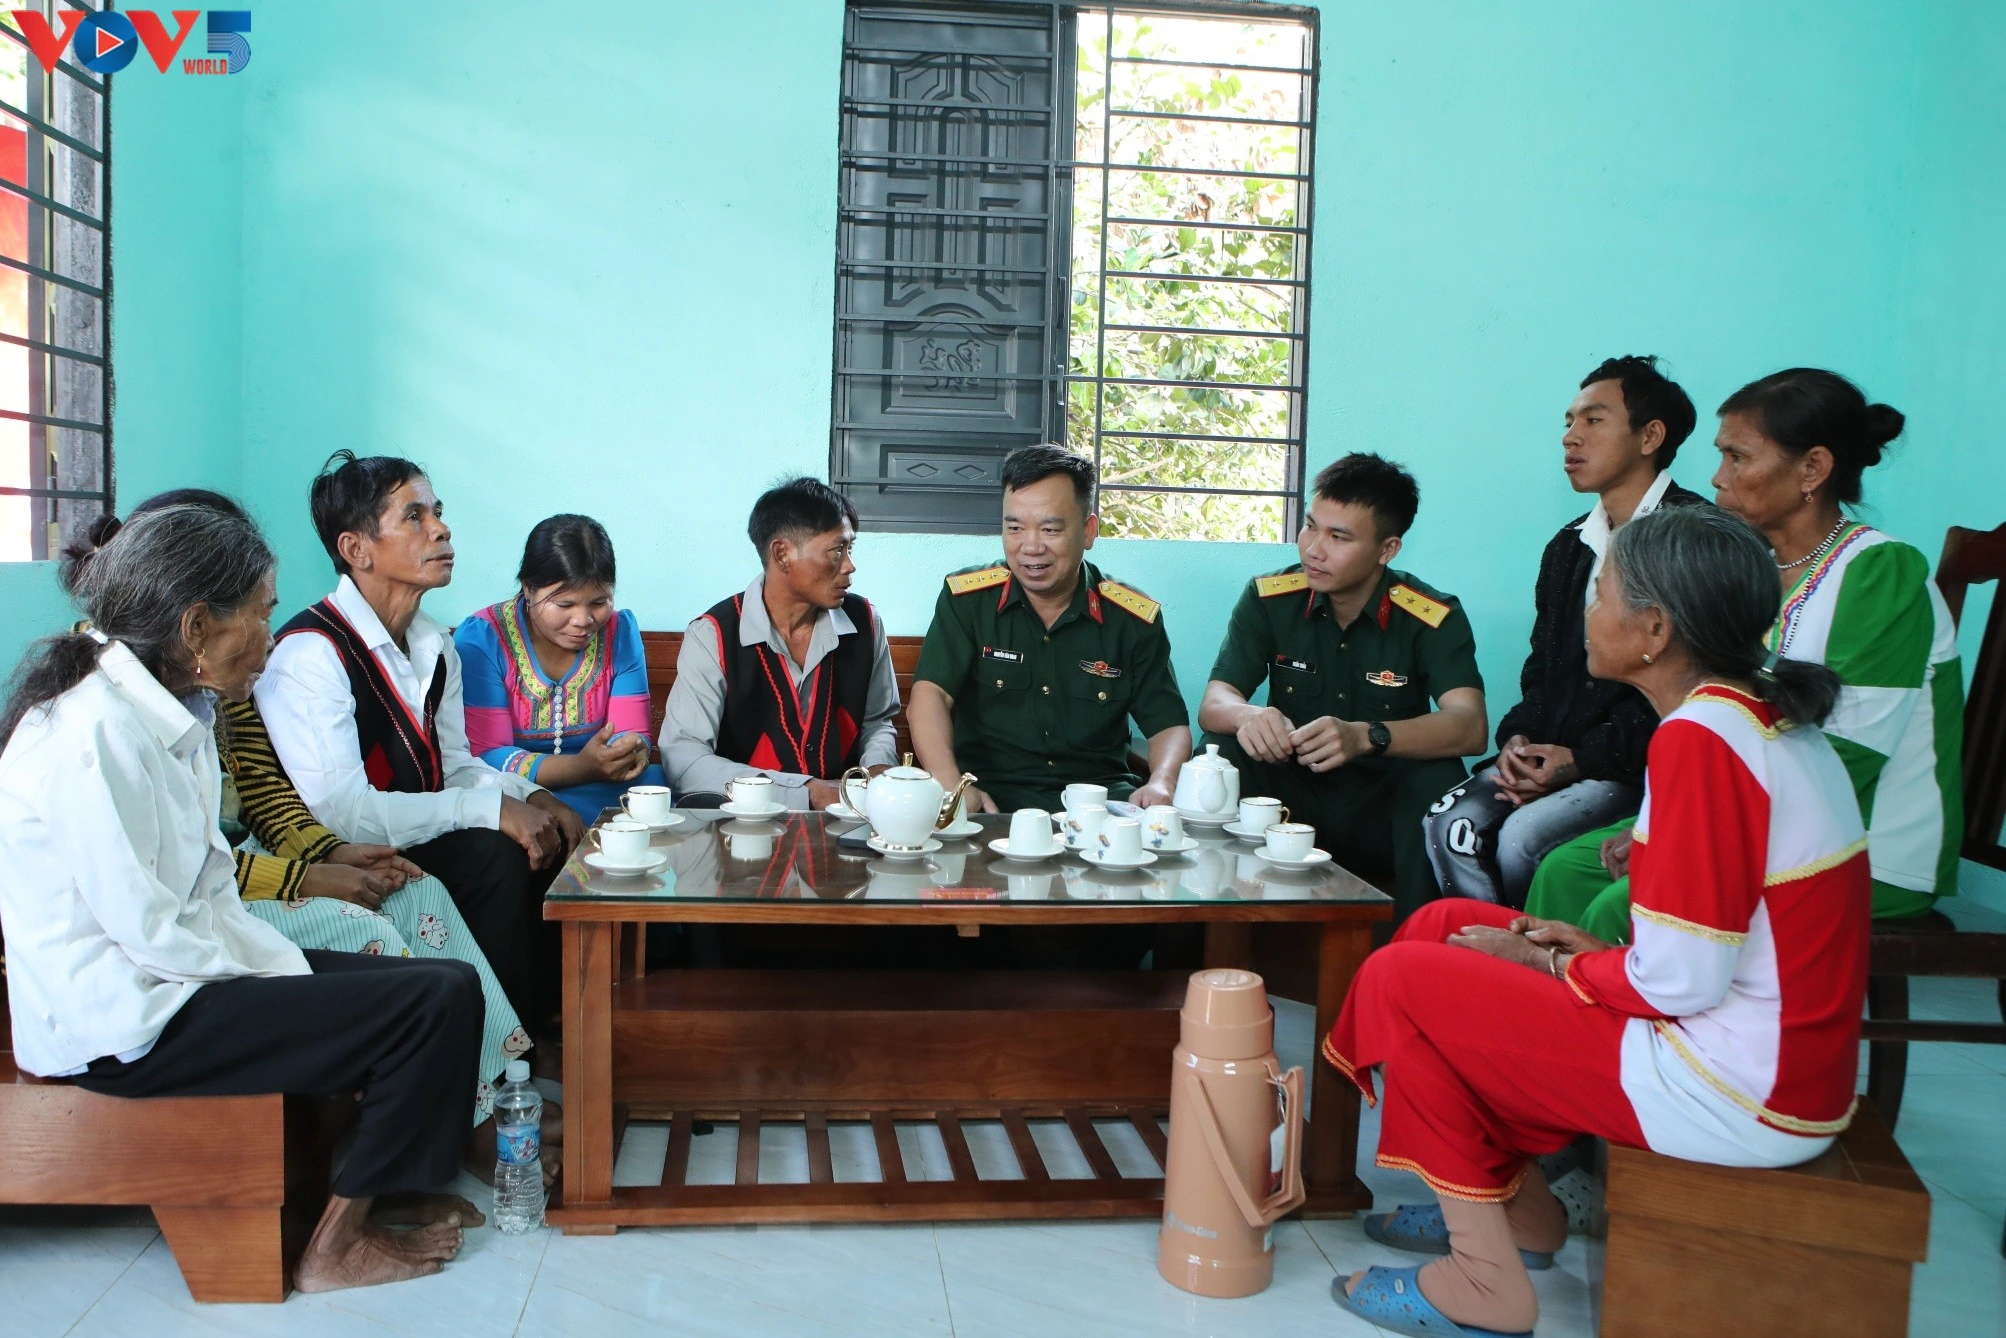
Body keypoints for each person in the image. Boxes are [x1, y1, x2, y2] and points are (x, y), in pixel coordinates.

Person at [1326, 505, 1868, 1338]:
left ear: (1653, 630)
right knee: (1444, 926)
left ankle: (1482, 1284)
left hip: (1738, 1090)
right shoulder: (1750, 715)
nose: (1588, 611)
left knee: (1403, 980)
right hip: (1766, 1060)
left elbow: (1681, 980)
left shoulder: (1703, 740)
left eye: (1603, 594)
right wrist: (1580, 950)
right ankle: (1521, 1214)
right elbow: (1713, 940)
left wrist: (1554, 965)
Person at [0, 504, 484, 1292]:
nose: (269, 638)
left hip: (178, 981)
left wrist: (285, 970)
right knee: (422, 1004)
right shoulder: (89, 735)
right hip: (128, 1020)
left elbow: (210, 889)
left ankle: (387, 1186)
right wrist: (282, 979)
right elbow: (150, 931)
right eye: (259, 615)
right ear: (196, 627)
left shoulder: (171, 712)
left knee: (446, 985)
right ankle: (335, 1248)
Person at [87, 489, 538, 1138]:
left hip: (238, 873)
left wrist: (331, 852)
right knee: (369, 928)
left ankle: (497, 1087)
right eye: (259, 611)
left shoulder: (210, 687)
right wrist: (310, 878)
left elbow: (269, 798)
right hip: (200, 911)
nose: (270, 635)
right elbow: (178, 874)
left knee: (421, 891)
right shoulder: (113, 718)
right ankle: (455, 1122)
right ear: (193, 612)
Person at [1525, 369, 1964, 942]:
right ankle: (1552, 996)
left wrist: (1683, 835)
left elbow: (1850, 755)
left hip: (1860, 847)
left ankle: (1619, 996)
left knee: (1626, 903)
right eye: (1720, 455)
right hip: (1753, 816)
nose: (1717, 477)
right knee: (1565, 869)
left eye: (1737, 458)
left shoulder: (1880, 572)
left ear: (1812, 469)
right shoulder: (1749, 566)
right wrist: (1661, 824)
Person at [255, 452, 585, 1035]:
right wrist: (489, 810)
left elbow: (453, 765)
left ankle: (545, 1033)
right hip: (336, 852)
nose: (440, 529)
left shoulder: (435, 645)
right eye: (414, 516)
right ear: (356, 549)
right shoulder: (311, 653)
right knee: (492, 856)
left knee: (545, 836)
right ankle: (502, 1059)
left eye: (437, 511)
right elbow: (342, 816)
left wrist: (532, 797)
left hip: (407, 832)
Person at [1423, 357, 1707, 906]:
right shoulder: (1568, 546)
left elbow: (1690, 688)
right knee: (1448, 823)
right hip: (1558, 760)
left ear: (1650, 436)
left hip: (1638, 767)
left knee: (1521, 840)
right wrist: (1518, 743)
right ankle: (1484, 951)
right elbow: (1543, 672)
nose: (1571, 437)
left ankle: (1537, 953)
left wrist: (1578, 762)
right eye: (1569, 422)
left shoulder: (1693, 539)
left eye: (1594, 420)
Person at [1198, 453, 1486, 917]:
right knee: (1222, 750)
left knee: (1439, 776)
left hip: (1382, 810)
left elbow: (1469, 725)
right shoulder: (1269, 598)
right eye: (1310, 527)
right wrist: (1249, 715)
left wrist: (1367, 736)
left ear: (1387, 549)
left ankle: (1411, 944)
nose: (1314, 549)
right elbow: (1215, 702)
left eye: (1339, 537)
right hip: (1289, 805)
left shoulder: (1431, 615)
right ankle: (1204, 934)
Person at [910, 444, 1190, 813]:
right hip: (991, 801)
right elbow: (930, 695)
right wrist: (953, 787)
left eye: (1050, 529)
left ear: (1088, 531)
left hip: (1098, 804)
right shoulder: (968, 601)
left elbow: (1169, 726)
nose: (1030, 546)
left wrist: (1163, 781)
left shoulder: (1132, 619)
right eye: (1014, 528)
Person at [661, 478, 900, 809]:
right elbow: (684, 760)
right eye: (836, 550)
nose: (849, 565)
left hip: (845, 821)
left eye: (850, 549)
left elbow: (877, 722)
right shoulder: (712, 635)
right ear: (782, 554)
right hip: (742, 825)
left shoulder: (866, 622)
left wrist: (878, 769)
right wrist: (806, 792)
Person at [456, 514, 665, 822]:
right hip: (519, 794)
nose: (583, 620)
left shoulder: (620, 632)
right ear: (529, 589)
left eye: (599, 602)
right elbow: (487, 755)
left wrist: (631, 750)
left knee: (659, 789)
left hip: (606, 786)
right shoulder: (483, 639)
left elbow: (631, 732)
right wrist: (580, 768)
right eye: (565, 604)